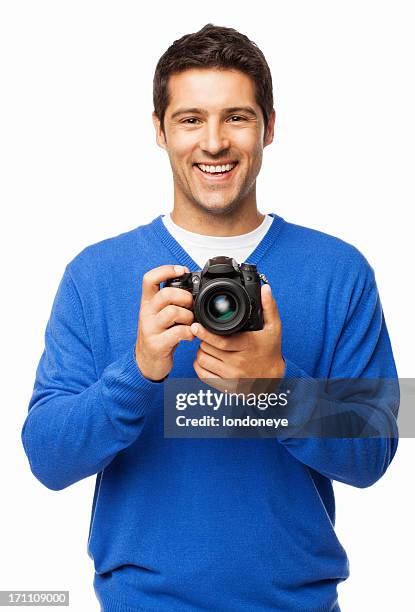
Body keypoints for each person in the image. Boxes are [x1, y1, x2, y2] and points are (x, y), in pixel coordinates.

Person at [21, 23, 399, 612]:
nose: (214, 142)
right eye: (191, 118)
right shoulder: (95, 273)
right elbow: (46, 457)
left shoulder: (339, 270)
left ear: (270, 127)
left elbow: (376, 450)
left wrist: (275, 388)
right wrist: (139, 371)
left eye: (238, 117)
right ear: (160, 130)